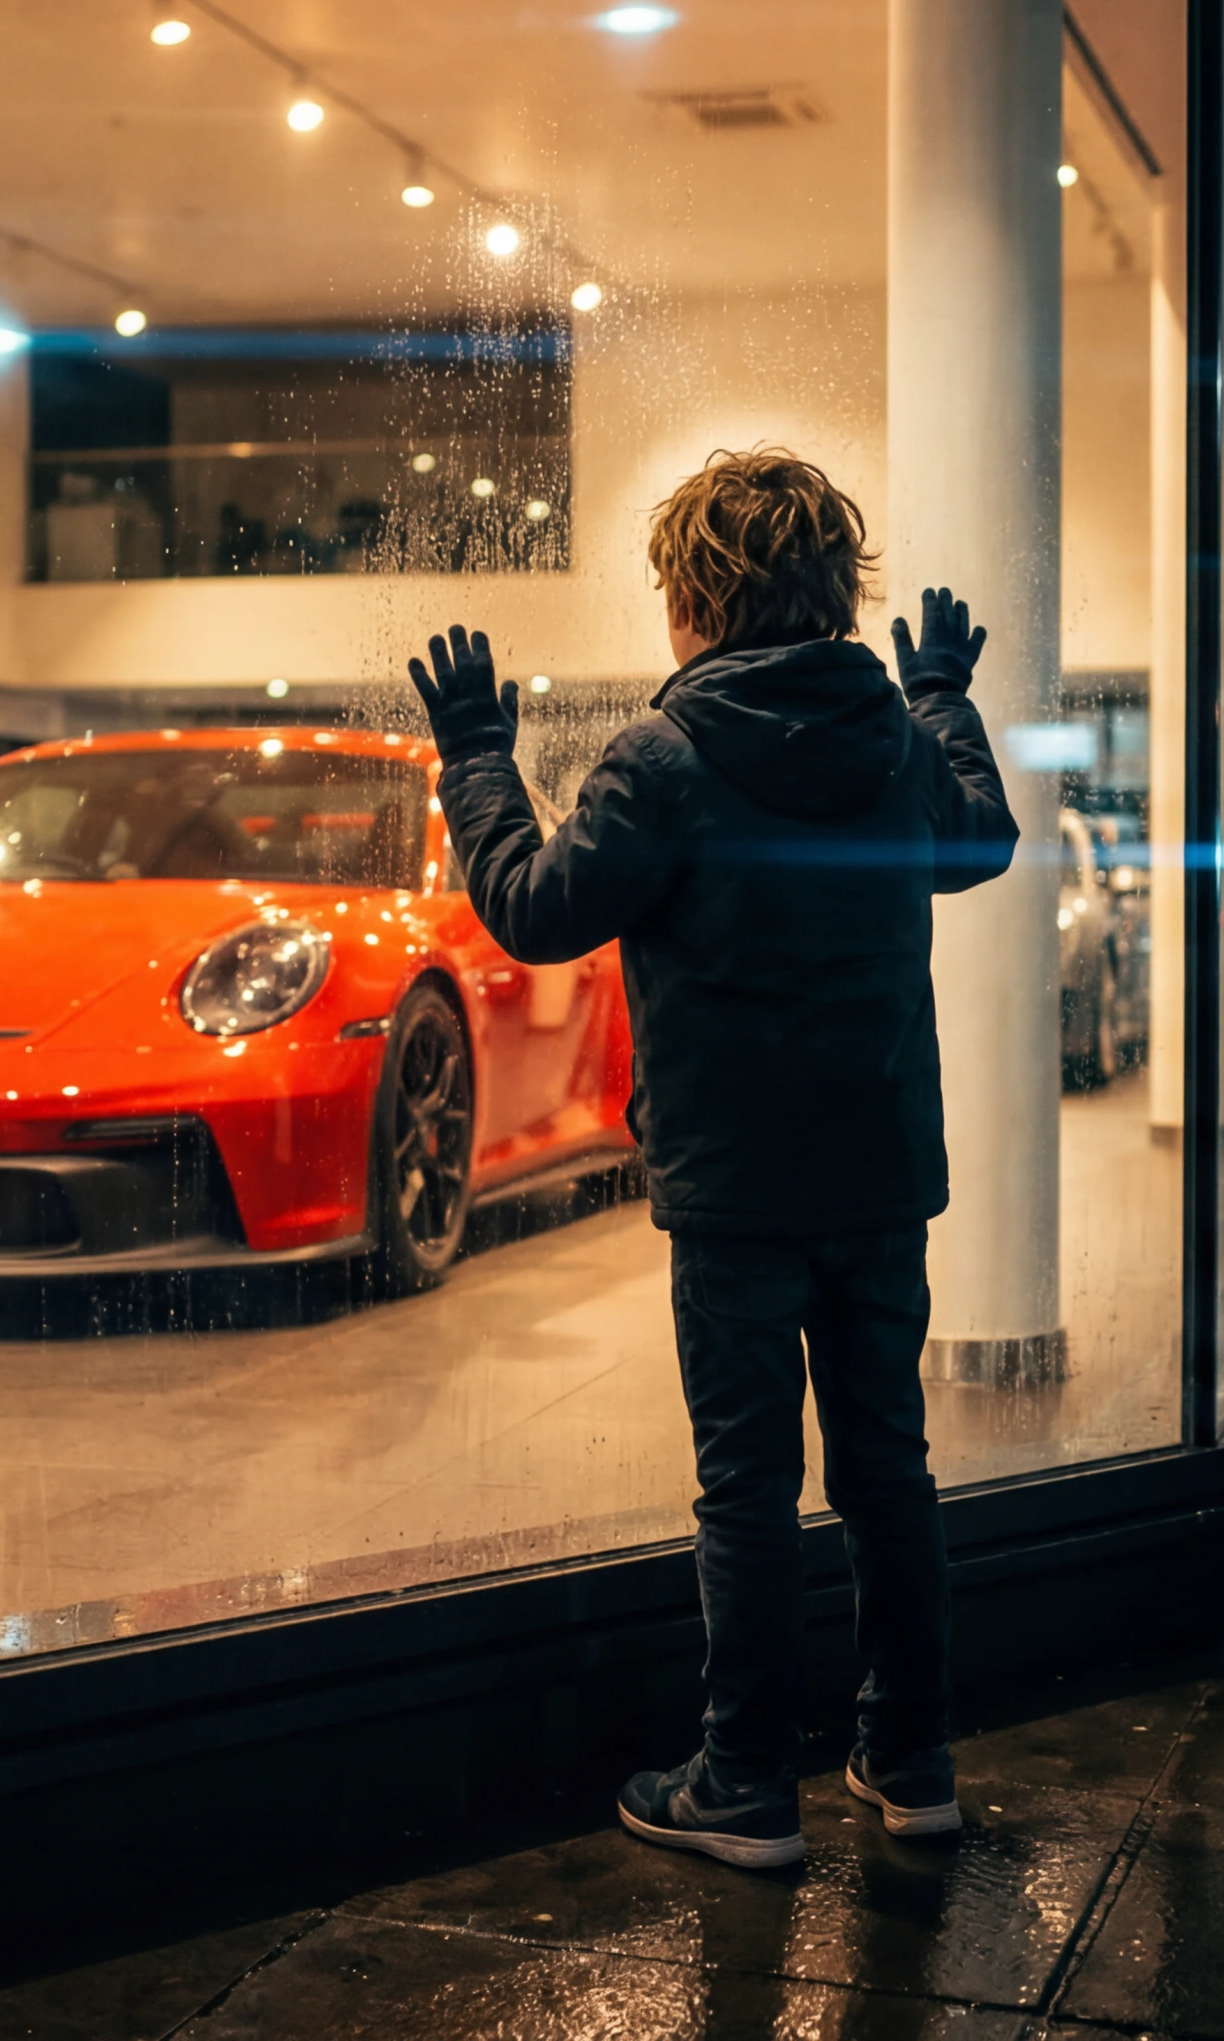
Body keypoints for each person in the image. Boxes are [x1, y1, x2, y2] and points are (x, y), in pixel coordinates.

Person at [406, 447, 1018, 1870]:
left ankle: (745, 1782)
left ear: (694, 598)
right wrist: (941, 696)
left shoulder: (664, 760)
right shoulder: (895, 741)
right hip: (879, 1175)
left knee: (746, 1482)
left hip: (736, 1191)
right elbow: (978, 840)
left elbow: (536, 910)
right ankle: (912, 1760)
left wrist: (478, 758)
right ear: (837, 593)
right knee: (890, 1472)